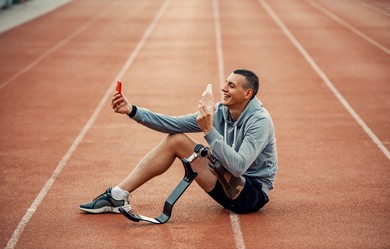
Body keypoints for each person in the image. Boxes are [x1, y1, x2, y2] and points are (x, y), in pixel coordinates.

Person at [79, 69, 278, 215]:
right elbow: (172, 124)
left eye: (231, 86)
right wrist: (132, 111)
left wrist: (208, 130)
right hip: (224, 181)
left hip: (250, 193)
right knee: (176, 139)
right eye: (226, 82)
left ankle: (116, 197)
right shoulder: (218, 111)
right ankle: (117, 195)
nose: (223, 88)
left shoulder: (259, 121)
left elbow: (239, 167)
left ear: (248, 94)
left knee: (186, 143)